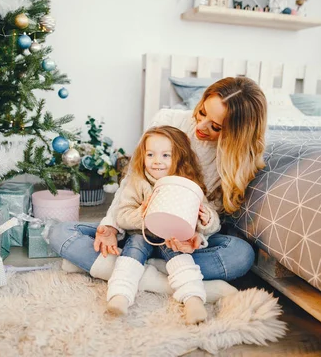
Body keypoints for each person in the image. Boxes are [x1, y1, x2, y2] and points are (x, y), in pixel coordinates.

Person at [47, 77, 266, 305]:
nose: (201, 126)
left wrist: (195, 237)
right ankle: (166, 281)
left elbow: (210, 211)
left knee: (241, 255)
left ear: (237, 133)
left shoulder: (235, 160)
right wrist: (110, 226)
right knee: (60, 232)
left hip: (177, 240)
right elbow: (132, 179)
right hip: (136, 230)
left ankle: (126, 269)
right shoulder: (167, 120)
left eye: (216, 126)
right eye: (202, 112)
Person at [107, 126, 220, 325]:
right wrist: (142, 214)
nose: (157, 161)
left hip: (172, 237)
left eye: (166, 155)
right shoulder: (138, 182)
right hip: (141, 235)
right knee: (133, 248)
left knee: (181, 256)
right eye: (150, 154)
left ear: (180, 157)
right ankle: (120, 294)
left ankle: (193, 300)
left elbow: (213, 224)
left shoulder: (188, 184)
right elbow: (121, 216)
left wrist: (205, 218)